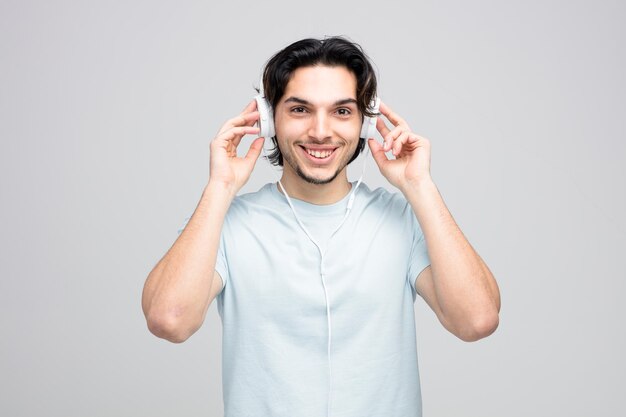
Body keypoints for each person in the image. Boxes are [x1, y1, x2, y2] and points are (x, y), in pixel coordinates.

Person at [142, 36, 500, 417]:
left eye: (342, 112)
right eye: (299, 109)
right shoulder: (226, 222)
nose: (320, 131)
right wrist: (221, 186)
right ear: (268, 120)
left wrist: (420, 186)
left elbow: (477, 321)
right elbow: (170, 320)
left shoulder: (403, 218)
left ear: (366, 122)